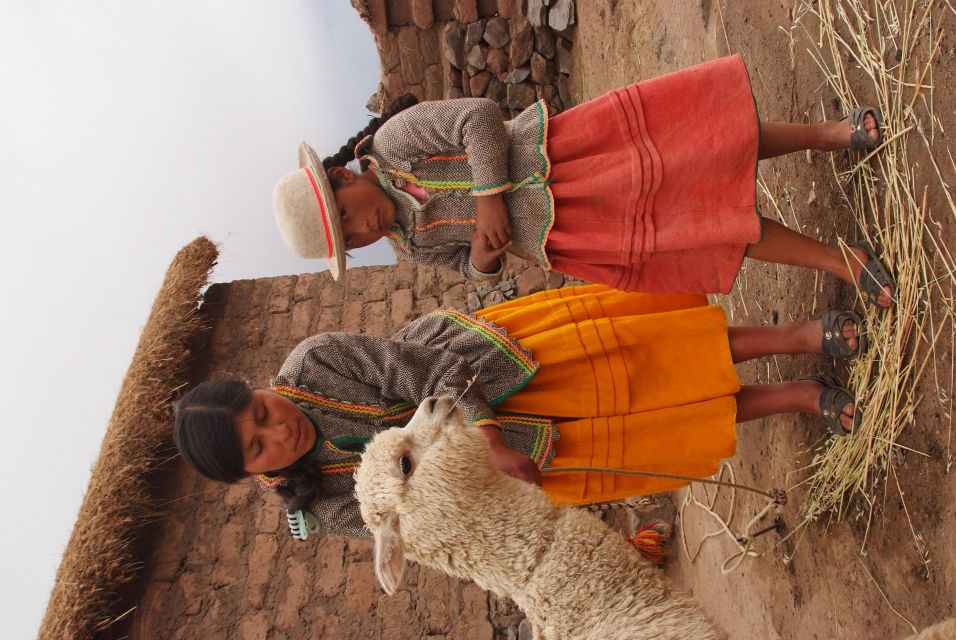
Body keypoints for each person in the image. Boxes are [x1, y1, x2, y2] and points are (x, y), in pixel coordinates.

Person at [174, 285, 865, 539]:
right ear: (254, 476)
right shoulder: (323, 507)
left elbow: (429, 373)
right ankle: (800, 396)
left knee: (656, 358)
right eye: (259, 447)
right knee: (662, 426)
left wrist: (489, 437)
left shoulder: (317, 360)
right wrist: (490, 480)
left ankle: (804, 335)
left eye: (260, 412)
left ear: (257, 387)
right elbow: (420, 525)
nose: (277, 430)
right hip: (520, 466)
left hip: (499, 373)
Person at [272, 54, 895, 308]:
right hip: (577, 231)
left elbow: (478, 118)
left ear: (340, 176)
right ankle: (842, 262)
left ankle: (833, 136)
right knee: (706, 228)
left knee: (708, 148)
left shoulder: (395, 142)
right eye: (352, 240)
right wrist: (486, 261)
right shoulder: (410, 243)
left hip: (572, 158)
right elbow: (467, 268)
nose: (363, 227)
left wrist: (490, 196)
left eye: (347, 214)